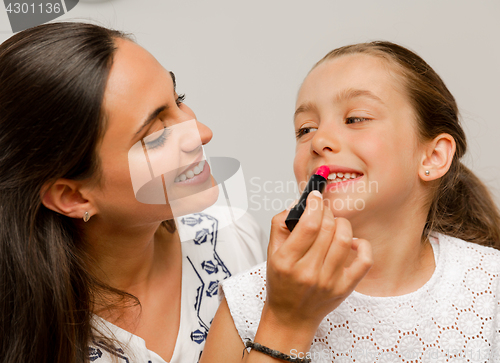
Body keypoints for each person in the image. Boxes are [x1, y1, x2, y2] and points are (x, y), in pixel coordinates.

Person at [201, 41, 500, 363]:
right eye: (305, 129)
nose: (319, 141)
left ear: (433, 156)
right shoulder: (248, 301)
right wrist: (283, 322)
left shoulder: (490, 286)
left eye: (356, 118)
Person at [0, 22, 266, 363]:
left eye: (178, 99)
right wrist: (285, 325)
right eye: (155, 137)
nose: (201, 132)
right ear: (72, 197)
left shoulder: (232, 236)